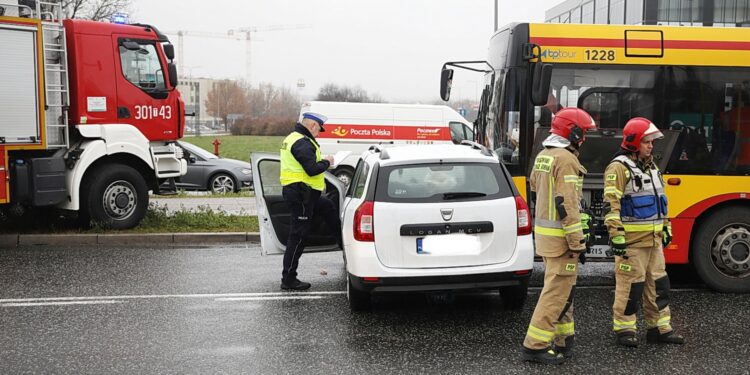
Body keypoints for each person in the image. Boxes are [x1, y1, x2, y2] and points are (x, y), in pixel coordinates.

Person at [522, 107, 597, 365]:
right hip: (562, 240)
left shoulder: (544, 155)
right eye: (583, 133)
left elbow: (534, 186)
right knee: (555, 293)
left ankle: (565, 340)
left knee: (564, 290)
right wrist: (577, 242)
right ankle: (535, 346)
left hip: (546, 238)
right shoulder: (566, 159)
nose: (584, 138)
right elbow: (567, 203)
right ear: (572, 132)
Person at [603, 117, 685, 347]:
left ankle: (659, 328)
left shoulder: (652, 167)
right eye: (647, 142)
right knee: (631, 285)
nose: (651, 146)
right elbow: (611, 204)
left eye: (652, 142)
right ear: (633, 142)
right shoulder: (618, 168)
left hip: (654, 241)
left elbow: (662, 201)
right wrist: (616, 235)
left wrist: (666, 227)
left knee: (658, 285)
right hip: (632, 242)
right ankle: (625, 329)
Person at [279, 112, 342, 290]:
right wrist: (327, 162)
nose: (319, 133)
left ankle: (343, 244)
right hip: (300, 195)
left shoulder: (295, 138)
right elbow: (312, 169)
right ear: (313, 125)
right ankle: (288, 278)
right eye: (319, 130)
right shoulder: (301, 142)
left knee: (328, 206)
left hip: (304, 193)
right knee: (298, 236)